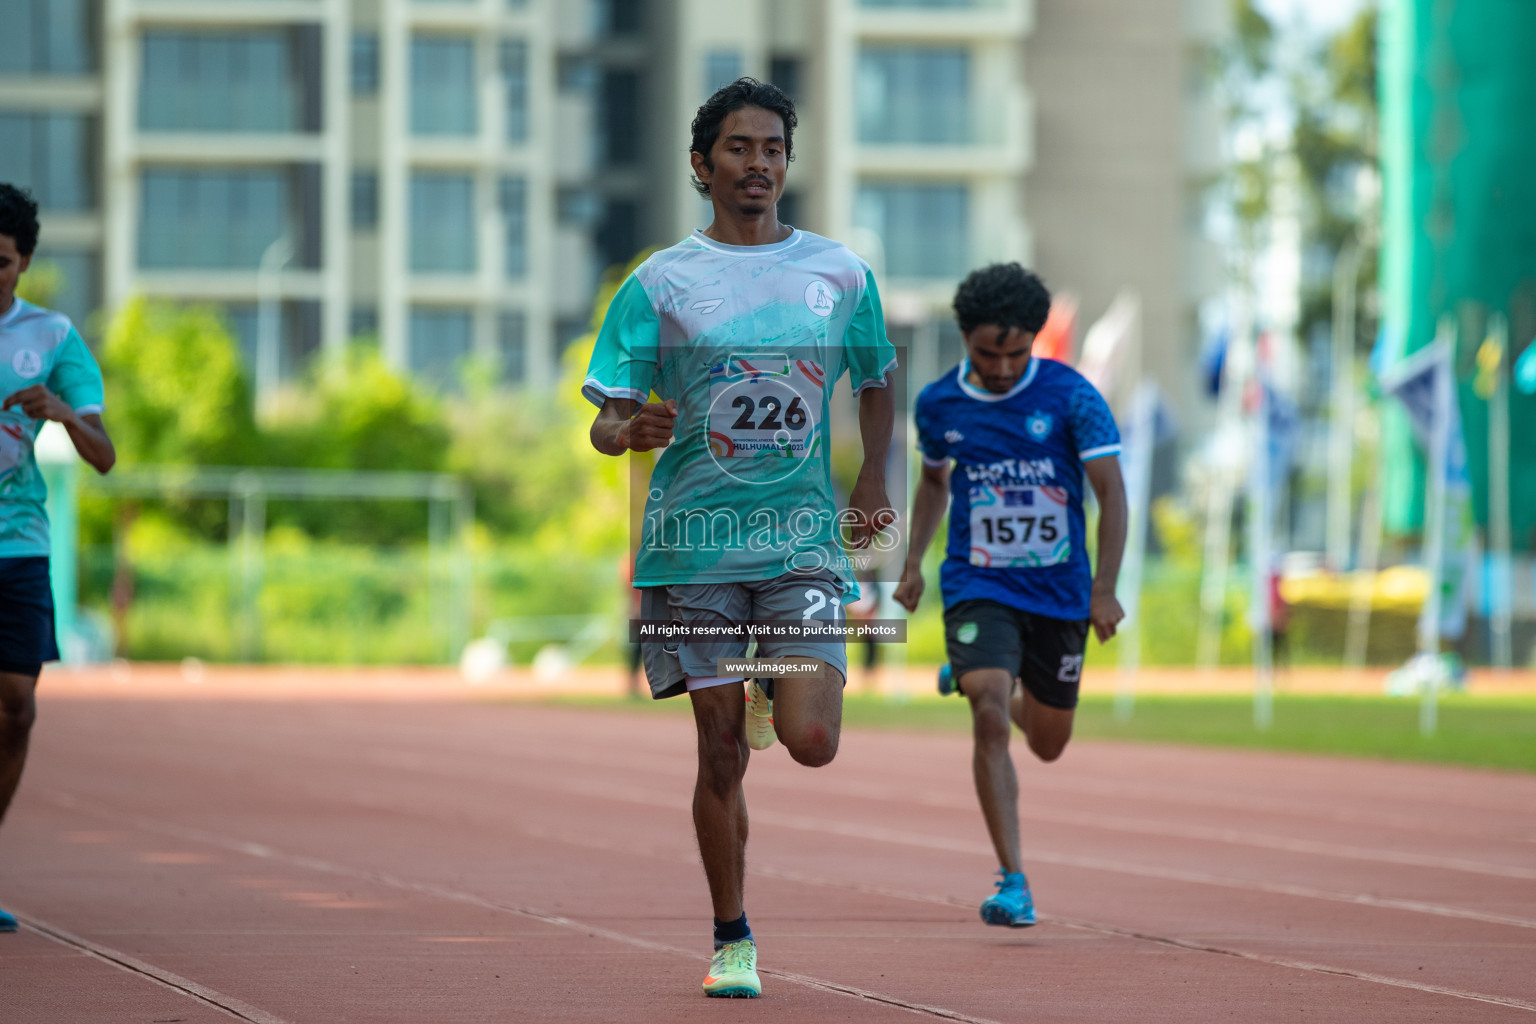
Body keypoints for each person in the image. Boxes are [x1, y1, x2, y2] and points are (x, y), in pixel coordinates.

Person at [585, 78, 895, 999]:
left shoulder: (840, 273)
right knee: (717, 750)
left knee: (811, 741)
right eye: (738, 149)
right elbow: (606, 419)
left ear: (786, 164)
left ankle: (777, 685)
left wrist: (874, 475)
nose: (758, 164)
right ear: (700, 164)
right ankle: (732, 937)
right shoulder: (659, 282)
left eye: (772, 149)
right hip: (693, 544)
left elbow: (876, 380)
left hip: (801, 540)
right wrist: (626, 431)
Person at [893, 263, 1125, 929]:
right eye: (986, 353)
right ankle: (1014, 879)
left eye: (1015, 353)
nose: (999, 368)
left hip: (1058, 592)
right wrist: (913, 562)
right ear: (965, 338)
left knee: (1049, 742)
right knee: (991, 714)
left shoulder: (1071, 396)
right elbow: (934, 484)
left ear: (1034, 341)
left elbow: (1111, 493)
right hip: (977, 580)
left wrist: (1103, 589)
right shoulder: (939, 404)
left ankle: (968, 675)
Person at [0, 184, 116, 933]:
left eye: (0, 262)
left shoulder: (52, 335)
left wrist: (66, 414)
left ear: (25, 262)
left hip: (19, 546)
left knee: (17, 707)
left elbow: (103, 457)